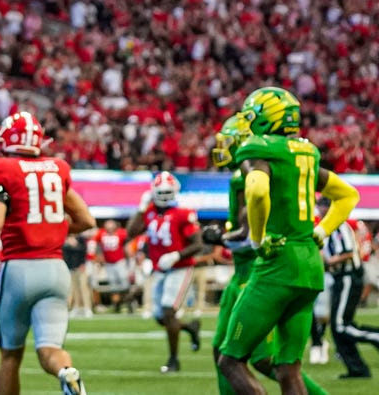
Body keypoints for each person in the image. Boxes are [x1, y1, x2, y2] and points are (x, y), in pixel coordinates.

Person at [219, 87, 360, 395]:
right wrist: (322, 231)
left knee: (230, 360)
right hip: (309, 265)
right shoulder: (306, 152)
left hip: (277, 263)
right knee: (288, 368)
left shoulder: (258, 148)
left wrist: (257, 238)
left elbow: (256, 190)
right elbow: (348, 195)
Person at [0, 112, 94, 395]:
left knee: (10, 356)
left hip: (20, 269)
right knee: (51, 349)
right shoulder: (56, 168)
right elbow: (86, 220)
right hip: (56, 269)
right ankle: (66, 372)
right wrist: (53, 230)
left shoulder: (0, 168)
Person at [204, 114, 326, 395]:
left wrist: (226, 238)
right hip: (259, 272)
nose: (224, 145)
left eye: (230, 140)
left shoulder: (247, 175)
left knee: (255, 360)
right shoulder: (292, 161)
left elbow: (249, 229)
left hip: (261, 273)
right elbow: (345, 193)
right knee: (241, 357)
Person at [127, 171, 202, 373]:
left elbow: (198, 244)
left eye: (168, 192)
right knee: (161, 317)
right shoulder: (150, 211)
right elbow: (131, 232)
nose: (165, 196)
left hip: (180, 267)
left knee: (169, 311)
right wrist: (141, 208)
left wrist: (176, 255)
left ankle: (173, 360)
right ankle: (190, 328)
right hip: (159, 270)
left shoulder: (183, 213)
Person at [320, 197, 379, 378]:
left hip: (348, 277)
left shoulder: (339, 226)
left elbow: (347, 252)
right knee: (339, 327)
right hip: (341, 278)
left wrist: (328, 261)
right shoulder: (330, 227)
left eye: (320, 207)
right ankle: (357, 368)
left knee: (340, 326)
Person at [91, 220, 130, 312]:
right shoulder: (101, 234)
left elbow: (127, 242)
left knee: (124, 281)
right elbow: (95, 244)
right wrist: (99, 255)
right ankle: (116, 304)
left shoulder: (120, 233)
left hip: (120, 261)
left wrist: (128, 257)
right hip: (108, 263)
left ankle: (128, 302)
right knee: (113, 284)